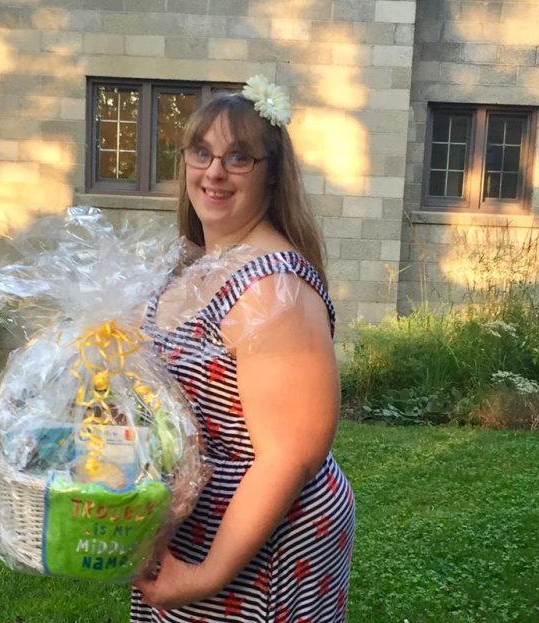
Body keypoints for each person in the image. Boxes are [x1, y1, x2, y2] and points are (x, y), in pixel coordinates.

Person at [131, 75, 354, 622]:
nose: (214, 172)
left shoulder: (273, 286)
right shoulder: (191, 265)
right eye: (201, 153)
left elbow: (290, 454)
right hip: (192, 518)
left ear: (272, 173)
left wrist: (210, 571)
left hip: (256, 536)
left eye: (239, 158)